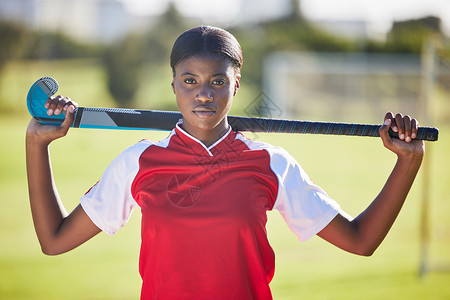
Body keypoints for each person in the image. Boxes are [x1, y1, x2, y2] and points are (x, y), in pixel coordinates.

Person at [26, 26, 424, 300]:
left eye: (217, 81)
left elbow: (360, 240)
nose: (203, 94)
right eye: (189, 80)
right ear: (173, 83)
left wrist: (408, 162)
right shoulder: (139, 162)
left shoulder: (270, 163)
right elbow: (55, 240)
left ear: (235, 85)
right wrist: (36, 144)